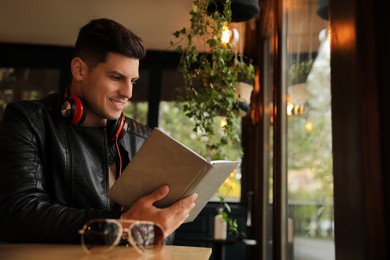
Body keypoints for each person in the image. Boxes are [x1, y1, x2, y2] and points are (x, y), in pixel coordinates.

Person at [0, 18, 197, 243]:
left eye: (133, 80)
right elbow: (17, 215)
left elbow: (161, 230)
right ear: (79, 69)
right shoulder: (28, 120)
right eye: (116, 77)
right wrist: (121, 225)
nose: (128, 92)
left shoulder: (143, 138)